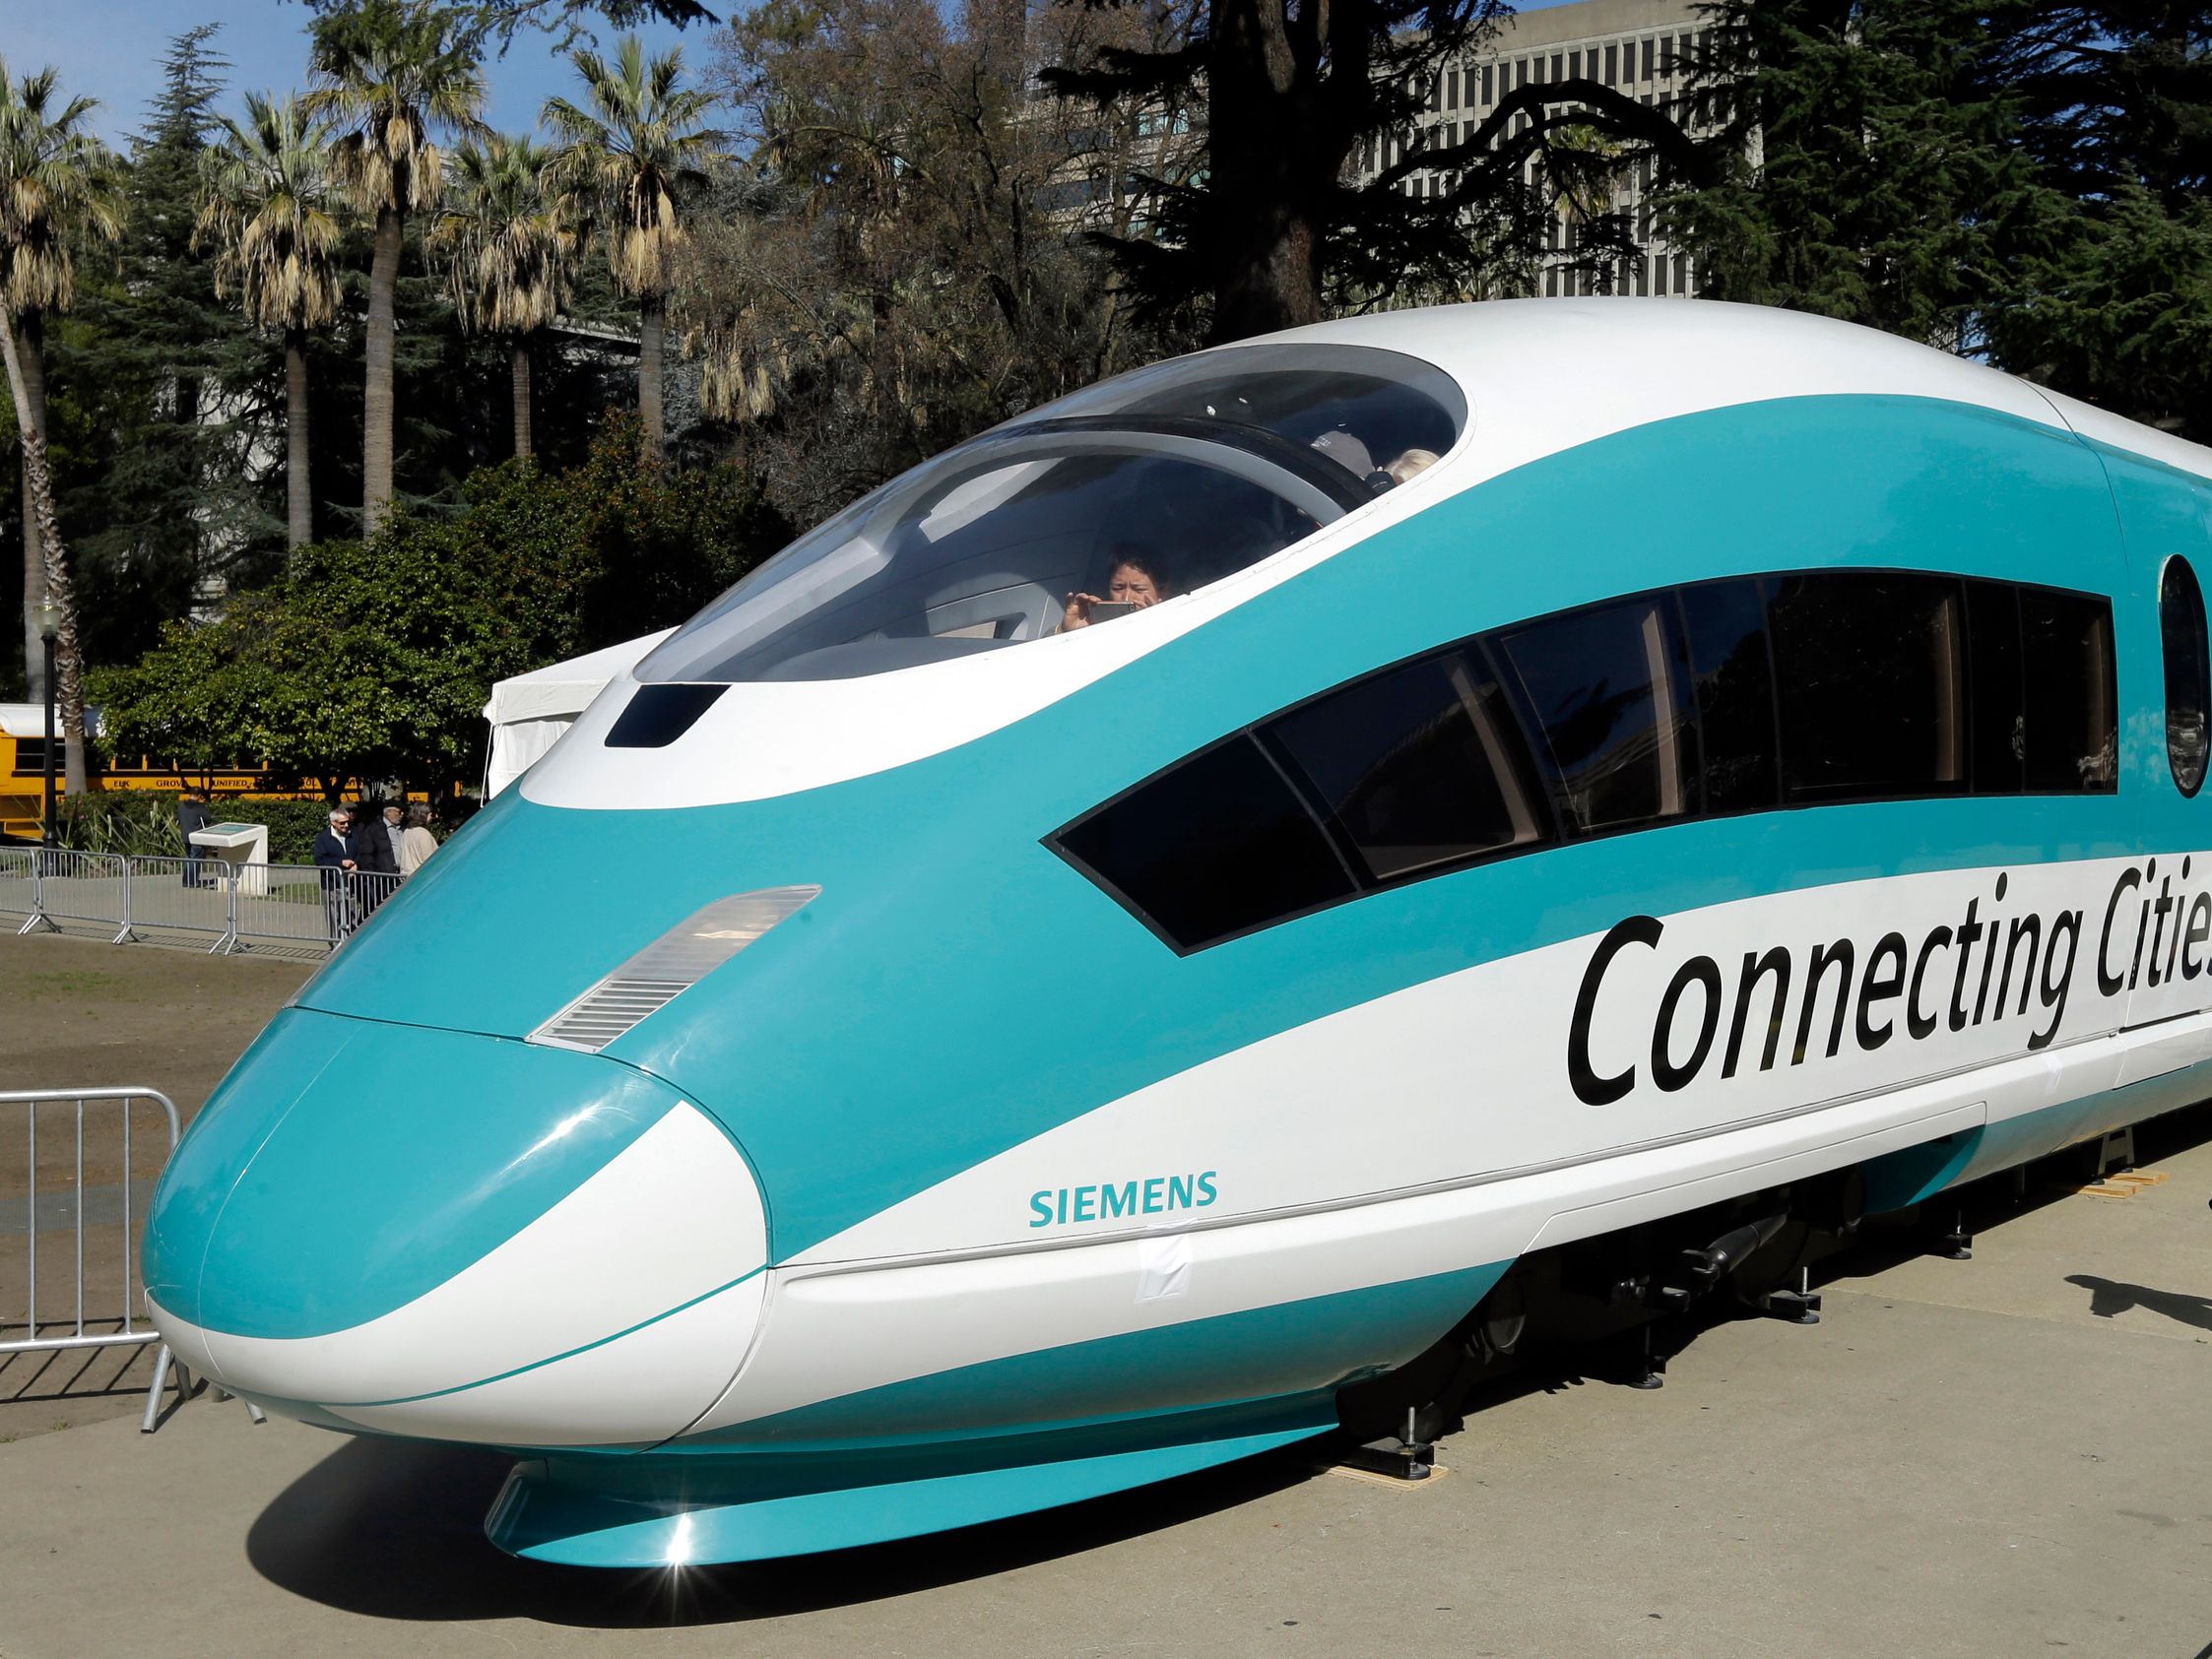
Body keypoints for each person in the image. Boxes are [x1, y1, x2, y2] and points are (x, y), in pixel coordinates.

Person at [1059, 548, 1176, 632]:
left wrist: (1156, 626)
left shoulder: (1182, 629)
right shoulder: (1098, 629)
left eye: (1139, 589)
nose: (1126, 599)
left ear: (1164, 592)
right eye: (1117, 588)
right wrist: (1066, 631)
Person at [313, 808, 358, 943]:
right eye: (342, 823)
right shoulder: (323, 838)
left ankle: (351, 942)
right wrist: (340, 863)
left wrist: (356, 865)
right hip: (332, 884)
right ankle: (335, 943)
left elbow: (359, 853)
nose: (346, 825)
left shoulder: (353, 835)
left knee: (352, 913)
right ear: (333, 822)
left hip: (351, 884)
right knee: (334, 916)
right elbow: (320, 860)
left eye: (347, 822)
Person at [177, 787, 214, 889]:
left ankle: (186, 881)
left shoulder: (181, 806)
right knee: (195, 859)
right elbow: (208, 819)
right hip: (197, 837)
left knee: (189, 858)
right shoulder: (199, 807)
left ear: (189, 794)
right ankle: (193, 882)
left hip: (185, 836)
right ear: (199, 795)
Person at [398, 802, 438, 877]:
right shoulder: (424, 834)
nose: (431, 817)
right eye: (430, 815)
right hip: (420, 876)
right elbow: (429, 859)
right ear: (423, 815)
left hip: (406, 875)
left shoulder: (407, 831)